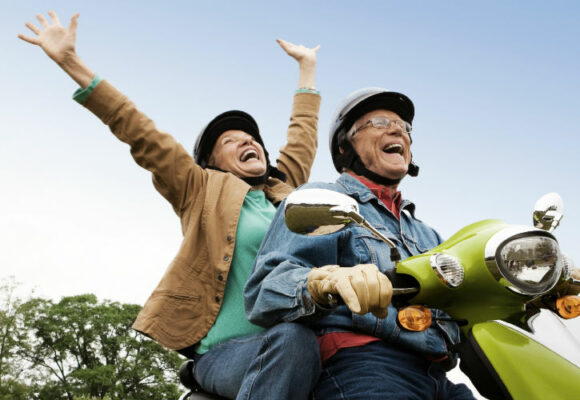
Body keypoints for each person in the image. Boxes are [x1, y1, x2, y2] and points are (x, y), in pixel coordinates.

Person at [19, 11, 322, 400]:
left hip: (294, 347)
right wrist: (71, 63)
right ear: (211, 162)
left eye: (251, 137)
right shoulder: (198, 187)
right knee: (294, 340)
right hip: (228, 353)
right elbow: (139, 130)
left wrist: (307, 69)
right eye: (231, 141)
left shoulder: (285, 193)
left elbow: (303, 137)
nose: (248, 142)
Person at [244, 88, 477, 399]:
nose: (398, 129)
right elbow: (265, 290)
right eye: (379, 122)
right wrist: (323, 281)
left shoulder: (429, 236)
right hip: (363, 362)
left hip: (438, 376)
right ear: (344, 146)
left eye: (404, 127)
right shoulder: (323, 200)